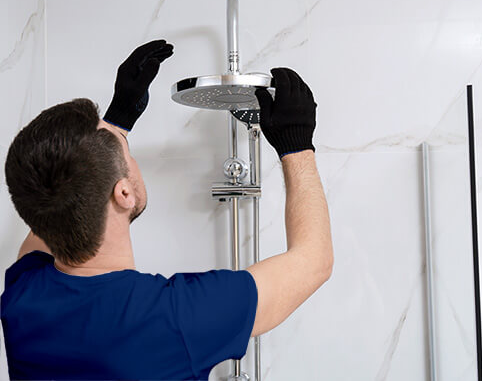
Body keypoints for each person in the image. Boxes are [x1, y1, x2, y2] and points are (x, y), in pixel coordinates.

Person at [1, 40, 333, 379]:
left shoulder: (22, 296)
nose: (130, 154)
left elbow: (49, 196)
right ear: (124, 193)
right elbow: (314, 262)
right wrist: (296, 147)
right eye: (127, 154)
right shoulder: (176, 318)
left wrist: (118, 121)